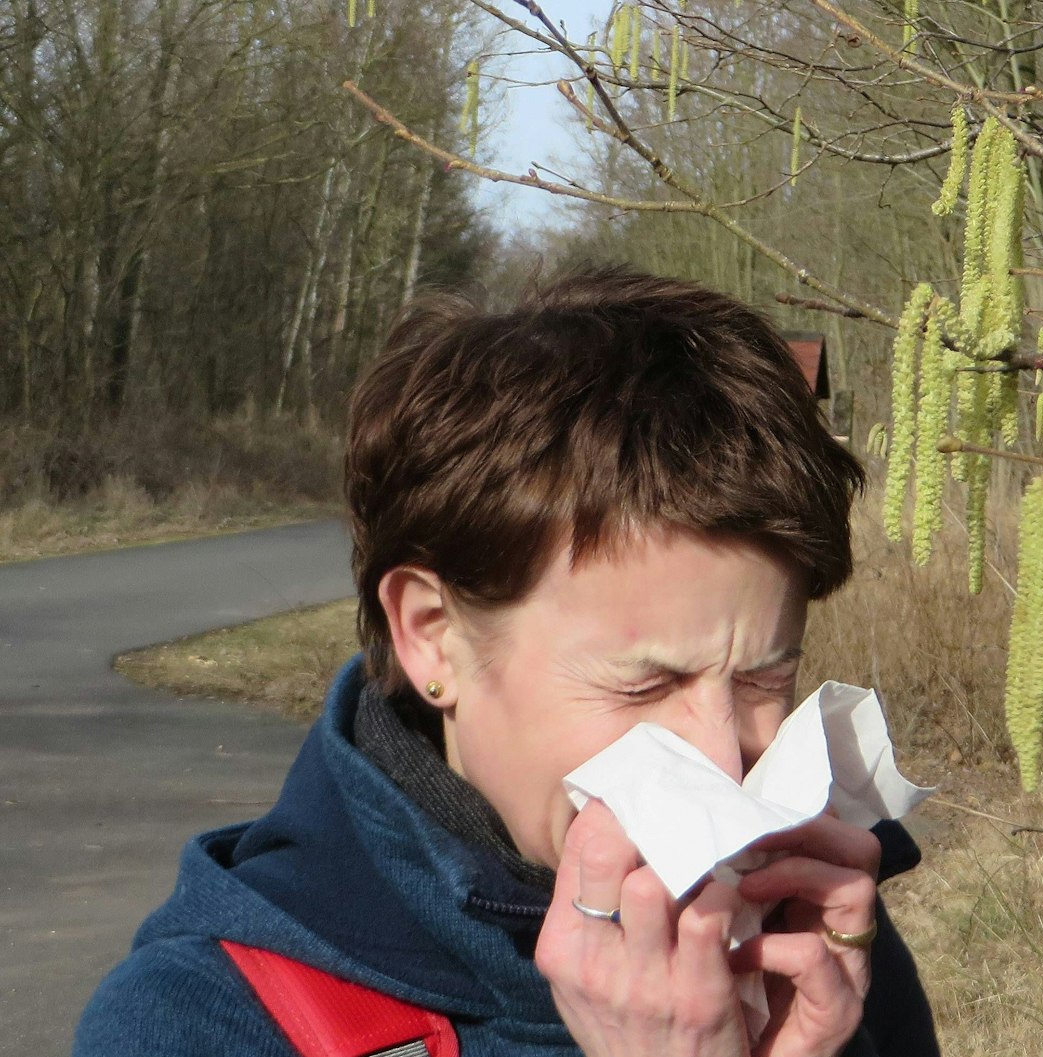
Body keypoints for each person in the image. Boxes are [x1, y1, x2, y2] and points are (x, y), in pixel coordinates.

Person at [74, 268, 940, 1057]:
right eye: (644, 683)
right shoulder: (196, 1022)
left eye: (764, 678)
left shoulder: (813, 936)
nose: (724, 759)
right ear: (431, 634)